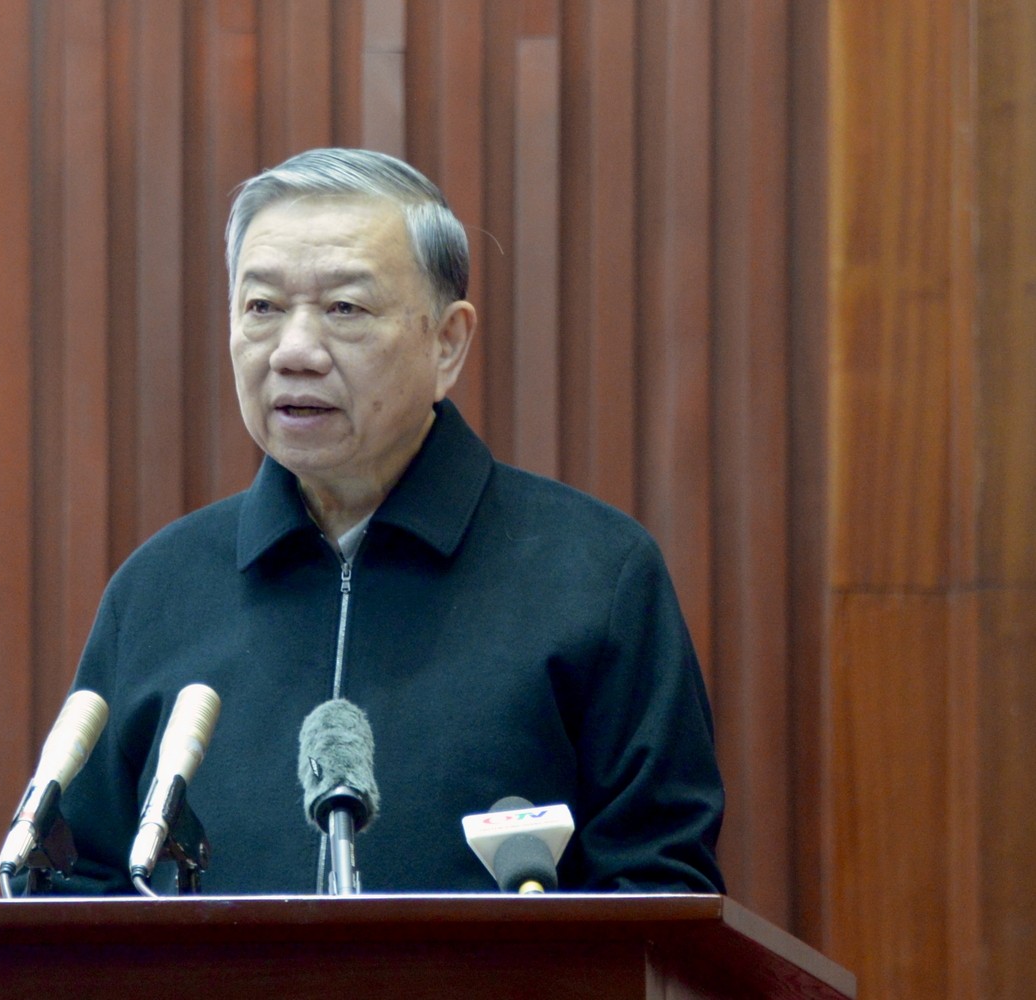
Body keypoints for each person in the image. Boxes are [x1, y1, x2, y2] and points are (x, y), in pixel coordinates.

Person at [43, 147, 725, 895]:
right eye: (262, 307)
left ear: (447, 342)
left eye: (345, 309)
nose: (295, 351)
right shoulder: (158, 592)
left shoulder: (594, 577)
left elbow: (658, 894)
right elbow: (80, 892)